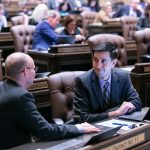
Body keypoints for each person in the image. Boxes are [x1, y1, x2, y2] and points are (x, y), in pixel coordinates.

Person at [0, 52, 100, 149]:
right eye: (34, 69)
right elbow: (45, 131)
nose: (35, 72)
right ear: (25, 71)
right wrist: (79, 128)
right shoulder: (21, 97)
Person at [73, 40, 142, 123]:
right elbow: (80, 118)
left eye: (103, 61)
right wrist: (115, 112)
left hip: (117, 126)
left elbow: (137, 103)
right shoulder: (82, 81)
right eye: (95, 60)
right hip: (92, 128)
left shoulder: (123, 76)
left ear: (113, 63)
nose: (98, 66)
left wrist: (129, 105)